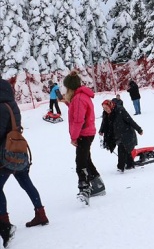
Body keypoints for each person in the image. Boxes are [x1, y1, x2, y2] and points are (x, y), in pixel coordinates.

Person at [0, 79, 49, 247]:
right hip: (18, 152)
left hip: (5, 155)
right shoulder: (11, 104)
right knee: (26, 182)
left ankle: (5, 226)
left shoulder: (1, 107)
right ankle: (40, 213)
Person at [61, 70, 103, 200]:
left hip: (83, 133)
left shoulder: (78, 98)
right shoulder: (81, 97)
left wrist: (74, 137)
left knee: (80, 162)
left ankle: (84, 188)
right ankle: (98, 185)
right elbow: (77, 111)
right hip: (87, 132)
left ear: (70, 87)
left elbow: (79, 120)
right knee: (86, 159)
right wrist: (67, 103)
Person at [99, 99, 143, 172]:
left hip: (127, 133)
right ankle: (130, 164)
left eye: (106, 108)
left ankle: (120, 167)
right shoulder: (106, 114)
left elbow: (130, 120)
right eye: (104, 108)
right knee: (126, 150)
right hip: (117, 135)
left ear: (111, 105)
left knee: (121, 149)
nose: (105, 110)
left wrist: (139, 129)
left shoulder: (120, 110)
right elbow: (104, 123)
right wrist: (101, 130)